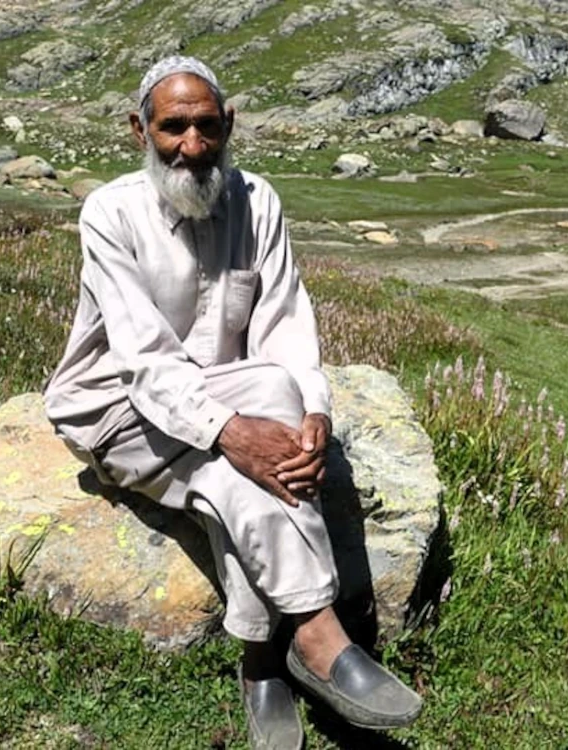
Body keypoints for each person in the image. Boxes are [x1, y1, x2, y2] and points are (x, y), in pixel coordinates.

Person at [44, 56, 422, 749]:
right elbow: (146, 360)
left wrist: (312, 415)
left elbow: (284, 325)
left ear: (229, 126)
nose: (192, 146)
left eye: (207, 126)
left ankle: (268, 660)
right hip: (119, 404)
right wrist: (230, 433)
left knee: (278, 393)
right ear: (140, 130)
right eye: (173, 128)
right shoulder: (110, 213)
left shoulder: (258, 200)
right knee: (229, 473)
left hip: (221, 389)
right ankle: (302, 641)